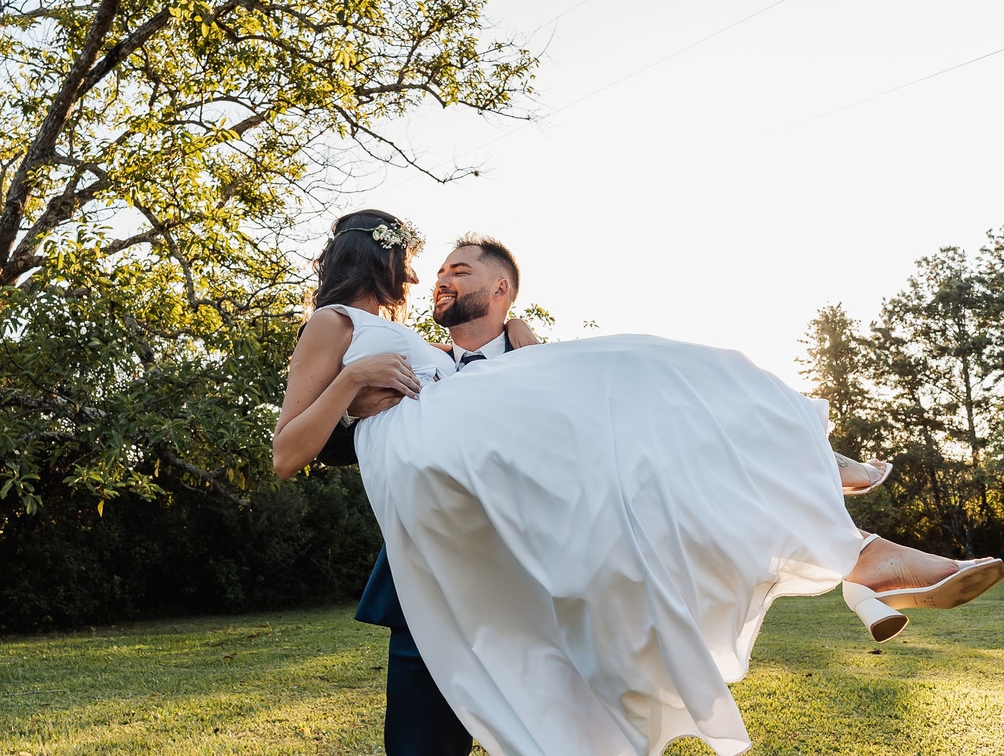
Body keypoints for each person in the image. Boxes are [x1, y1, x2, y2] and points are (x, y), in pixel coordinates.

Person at [273, 212, 1004, 756]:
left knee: (639, 410)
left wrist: (523, 358)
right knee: (428, 741)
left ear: (500, 290)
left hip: (521, 543)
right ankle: (813, 476)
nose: (426, 276)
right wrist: (355, 381)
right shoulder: (347, 329)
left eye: (454, 270)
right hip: (439, 550)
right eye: (420, 263)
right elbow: (301, 447)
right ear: (381, 255)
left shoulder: (479, 350)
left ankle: (841, 529)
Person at [318, 217, 535, 756]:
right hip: (424, 593)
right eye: (438, 271)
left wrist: (530, 349)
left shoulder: (538, 363)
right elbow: (332, 447)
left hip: (527, 589)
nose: (441, 280)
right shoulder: (414, 366)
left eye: (459, 271)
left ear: (501, 288)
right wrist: (352, 406)